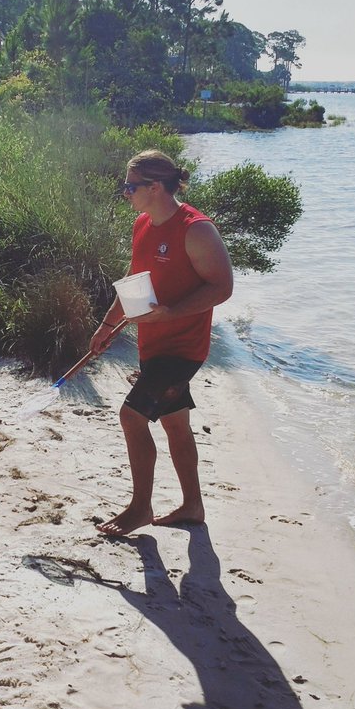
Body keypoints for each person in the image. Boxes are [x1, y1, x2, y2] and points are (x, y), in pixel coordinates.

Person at [90, 150, 233, 536]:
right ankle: (193, 505)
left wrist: (171, 313)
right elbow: (134, 280)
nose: (125, 193)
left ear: (155, 187)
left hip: (183, 349)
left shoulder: (196, 229)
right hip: (153, 346)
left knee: (132, 416)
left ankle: (140, 508)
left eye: (130, 186)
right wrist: (107, 325)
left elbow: (222, 287)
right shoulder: (143, 223)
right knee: (175, 423)